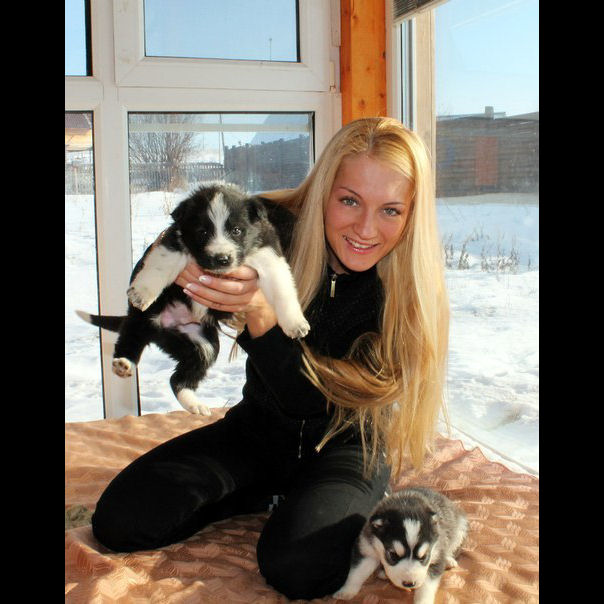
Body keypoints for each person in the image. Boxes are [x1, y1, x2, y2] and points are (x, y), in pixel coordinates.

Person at [91, 117, 449, 600]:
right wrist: (178, 257)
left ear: (411, 215)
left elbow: (309, 401)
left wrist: (260, 313)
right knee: (121, 520)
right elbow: (164, 258)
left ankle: (314, 500)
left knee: (299, 566)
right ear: (323, 190)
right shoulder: (267, 223)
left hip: (350, 444)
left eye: (390, 210)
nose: (365, 228)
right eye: (349, 200)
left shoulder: (407, 291)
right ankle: (268, 493)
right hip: (257, 430)